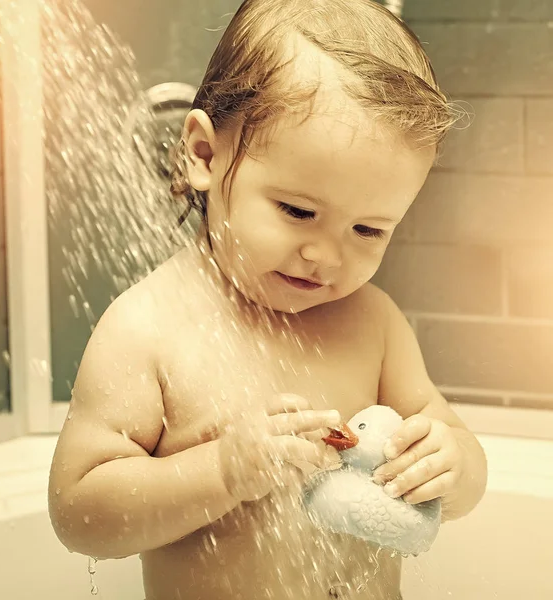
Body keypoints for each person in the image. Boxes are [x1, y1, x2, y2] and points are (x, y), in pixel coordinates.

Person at [48, 1, 488, 598]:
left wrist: (450, 464)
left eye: (368, 230)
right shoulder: (148, 329)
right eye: (298, 211)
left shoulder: (373, 324)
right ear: (204, 155)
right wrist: (223, 471)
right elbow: (79, 514)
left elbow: (462, 463)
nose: (327, 256)